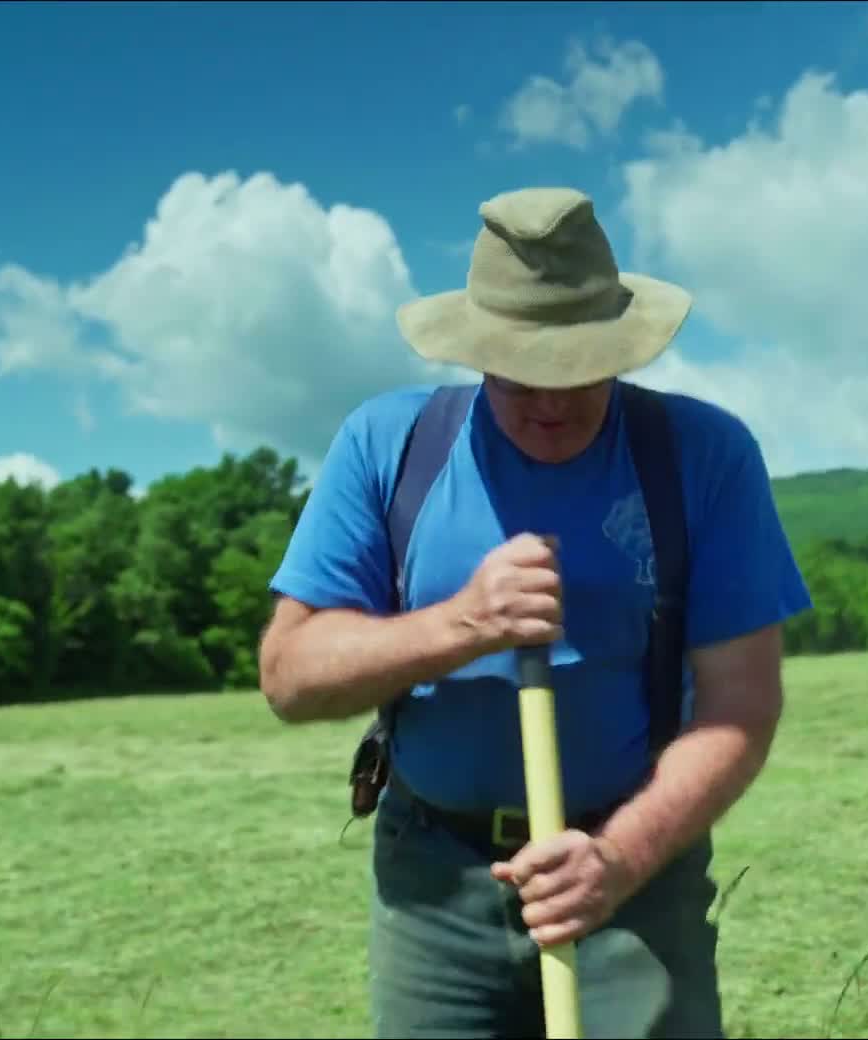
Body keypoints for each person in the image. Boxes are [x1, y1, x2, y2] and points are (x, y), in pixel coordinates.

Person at [257, 186, 812, 1039]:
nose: (551, 402)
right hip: (433, 887)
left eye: (580, 369)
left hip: (635, 884)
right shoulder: (389, 446)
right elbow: (290, 677)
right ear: (475, 351)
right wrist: (463, 624)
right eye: (521, 375)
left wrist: (618, 861)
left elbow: (742, 705)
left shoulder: (703, 456)